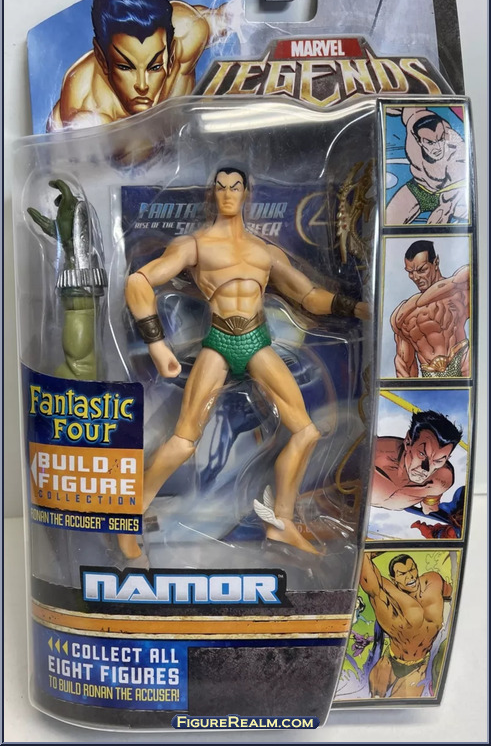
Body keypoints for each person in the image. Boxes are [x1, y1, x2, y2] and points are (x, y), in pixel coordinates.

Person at [118, 166, 369, 559]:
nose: (227, 193)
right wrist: (158, 347)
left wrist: (356, 308)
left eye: (235, 186)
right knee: (184, 441)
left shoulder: (264, 252)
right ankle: (127, 515)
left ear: (247, 193)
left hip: (256, 342)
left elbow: (309, 297)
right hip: (219, 343)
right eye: (220, 187)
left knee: (306, 432)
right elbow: (138, 282)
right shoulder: (196, 245)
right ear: (212, 194)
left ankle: (280, 522)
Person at [48, 0, 231, 130]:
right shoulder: (88, 115)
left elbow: (226, 19)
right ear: (103, 60)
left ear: (171, 55)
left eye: (155, 67)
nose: (142, 86)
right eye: (125, 67)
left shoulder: (189, 32)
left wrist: (235, 16)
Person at [360, 552, 452, 698]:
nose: (410, 576)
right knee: (375, 697)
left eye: (412, 569)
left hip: (418, 665)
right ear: (394, 579)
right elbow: (365, 572)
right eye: (402, 574)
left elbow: (450, 591)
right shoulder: (389, 601)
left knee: (399, 702)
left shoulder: (434, 581)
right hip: (390, 661)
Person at [390, 240, 470, 378]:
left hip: (463, 363)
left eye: (422, 270)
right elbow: (405, 365)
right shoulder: (403, 314)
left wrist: (450, 285)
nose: (416, 278)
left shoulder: (460, 293)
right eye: (410, 272)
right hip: (429, 375)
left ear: (436, 262)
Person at [385, 107, 467, 225]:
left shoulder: (457, 151)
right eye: (430, 142)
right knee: (389, 219)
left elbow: (457, 187)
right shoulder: (413, 122)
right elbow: (408, 107)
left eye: (441, 139)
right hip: (420, 187)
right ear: (418, 140)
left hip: (450, 194)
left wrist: (446, 207)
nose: (438, 147)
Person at [371, 410, 461, 515]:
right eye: (422, 454)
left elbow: (431, 503)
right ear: (408, 442)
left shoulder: (441, 480)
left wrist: (430, 503)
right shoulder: (372, 455)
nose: (426, 468)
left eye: (438, 461)